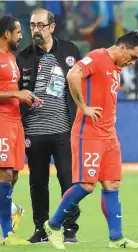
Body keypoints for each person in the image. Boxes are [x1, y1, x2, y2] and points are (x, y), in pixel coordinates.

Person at [44, 31, 138, 249]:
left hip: (109, 135)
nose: (133, 62)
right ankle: (52, 226)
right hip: (88, 133)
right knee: (86, 185)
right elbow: (73, 76)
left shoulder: (117, 69)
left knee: (112, 184)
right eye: (133, 57)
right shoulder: (99, 57)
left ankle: (116, 239)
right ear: (122, 47)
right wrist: (83, 107)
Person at [16, 8, 81, 244]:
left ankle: (70, 228)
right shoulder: (22, 56)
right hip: (33, 131)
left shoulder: (70, 50)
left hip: (64, 128)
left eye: (40, 25)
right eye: (32, 25)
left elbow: (82, 83)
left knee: (68, 180)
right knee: (38, 183)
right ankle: (40, 229)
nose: (35, 30)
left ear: (52, 27)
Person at [0, 15, 42, 245]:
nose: (21, 35)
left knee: (13, 174)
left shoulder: (10, 58)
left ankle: (10, 211)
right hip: (1, 122)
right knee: (5, 172)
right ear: (7, 33)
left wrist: (26, 98)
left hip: (15, 122)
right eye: (17, 32)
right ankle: (6, 233)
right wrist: (16, 94)